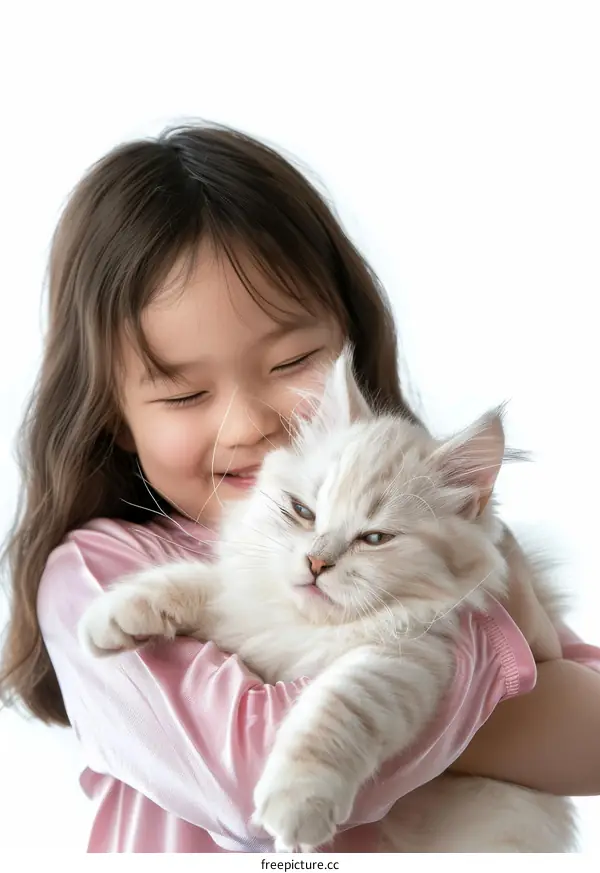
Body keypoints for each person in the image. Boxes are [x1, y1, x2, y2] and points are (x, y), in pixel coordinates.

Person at [1, 123, 599, 853]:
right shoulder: (96, 574)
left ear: (348, 334)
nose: (247, 424)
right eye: (185, 395)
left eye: (290, 363)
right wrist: (483, 638)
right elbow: (252, 783)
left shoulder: (432, 520)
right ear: (115, 417)